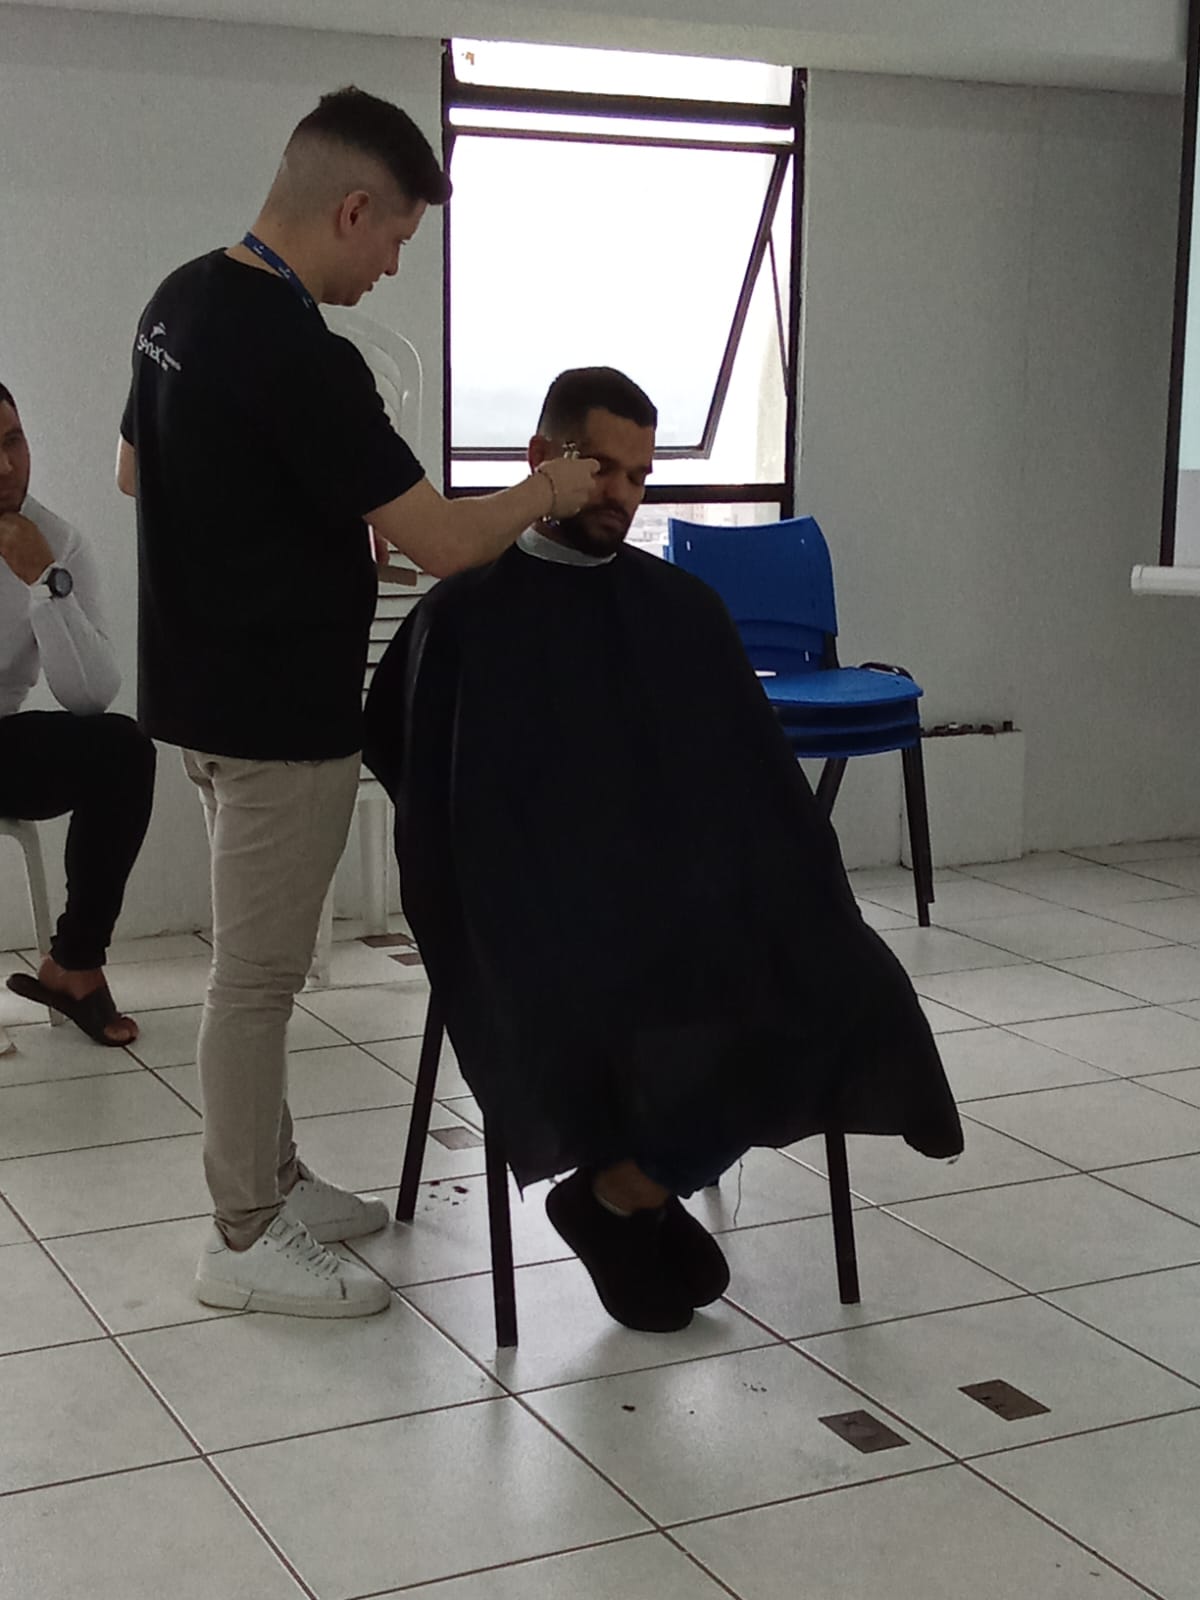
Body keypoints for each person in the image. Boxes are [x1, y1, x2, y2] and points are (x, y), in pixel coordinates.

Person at [116, 86, 597, 1320]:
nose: (390, 267)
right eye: (395, 239)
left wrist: (309, 520)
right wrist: (547, 490)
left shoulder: (179, 300)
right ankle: (242, 1234)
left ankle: (274, 1177)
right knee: (256, 981)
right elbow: (446, 542)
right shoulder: (302, 353)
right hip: (279, 716)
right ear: (351, 208)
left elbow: (136, 468)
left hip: (198, 695)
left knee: (253, 965)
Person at [364, 367, 964, 1334]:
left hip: (676, 901)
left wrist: (772, 892)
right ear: (541, 458)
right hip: (539, 920)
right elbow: (418, 780)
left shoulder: (681, 609)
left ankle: (626, 1191)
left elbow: (757, 789)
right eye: (600, 468)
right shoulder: (466, 614)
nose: (620, 494)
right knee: (639, 999)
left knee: (842, 977)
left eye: (639, 476)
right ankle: (632, 1195)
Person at [0, 383, 155, 1051]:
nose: (6, 466)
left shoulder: (57, 540)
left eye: (13, 441)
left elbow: (91, 696)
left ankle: (75, 964)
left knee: (123, 749)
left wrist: (45, 583)